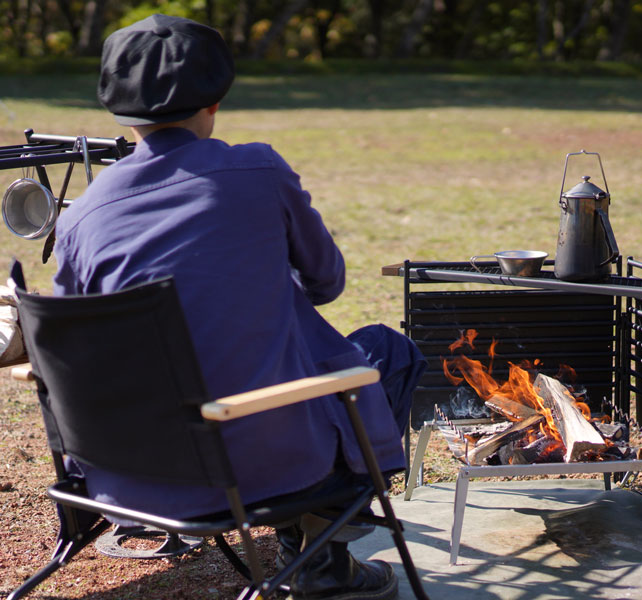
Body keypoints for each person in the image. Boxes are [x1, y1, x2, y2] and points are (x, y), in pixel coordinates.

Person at [51, 14, 426, 600]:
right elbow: (326, 282)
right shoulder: (257, 169)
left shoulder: (80, 216)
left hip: (127, 473)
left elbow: (74, 342)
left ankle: (305, 549)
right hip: (257, 463)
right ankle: (320, 561)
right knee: (388, 350)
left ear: (114, 109)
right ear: (217, 99)